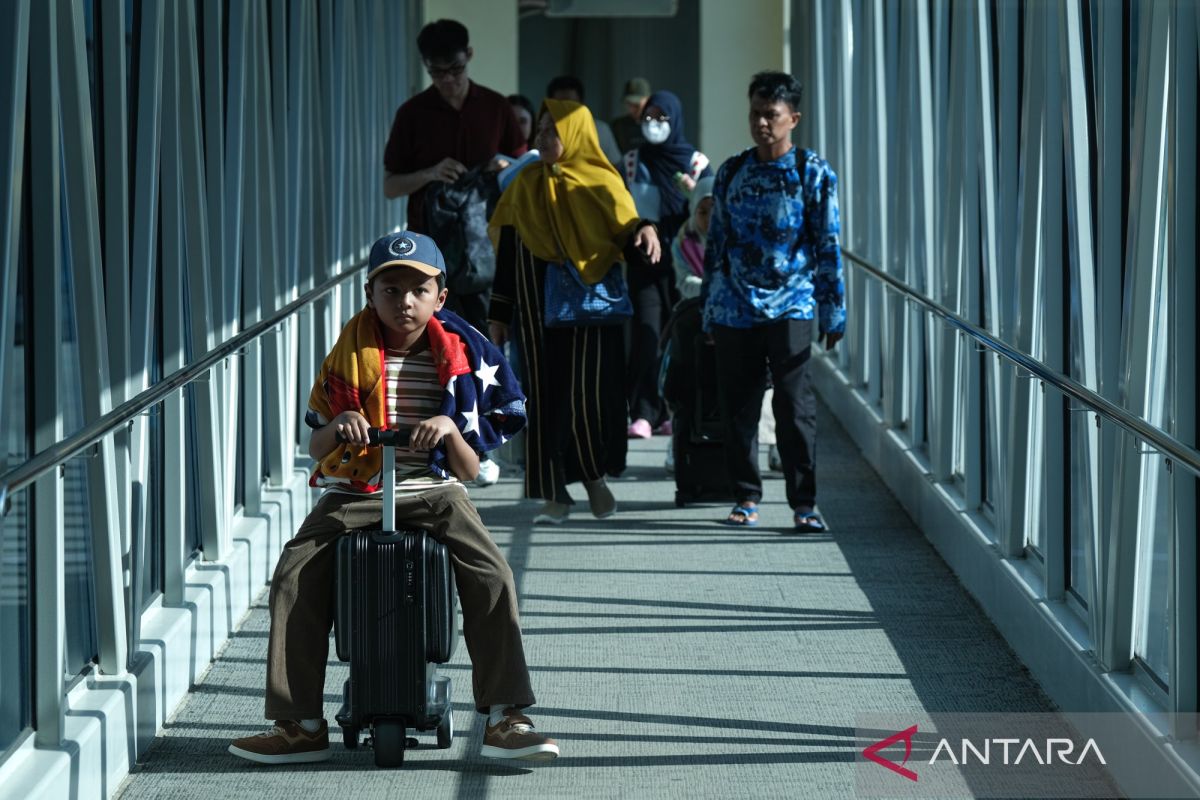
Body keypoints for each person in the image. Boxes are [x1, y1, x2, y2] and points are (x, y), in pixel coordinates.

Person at [228, 232, 559, 765]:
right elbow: (315, 446)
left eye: (418, 290)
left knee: (491, 573)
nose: (404, 301)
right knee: (294, 573)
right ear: (369, 293)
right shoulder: (348, 352)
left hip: (433, 491)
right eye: (391, 289)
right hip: (357, 490)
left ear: (440, 297)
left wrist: (450, 428)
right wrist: (340, 424)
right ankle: (300, 723)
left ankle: (505, 716)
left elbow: (469, 471)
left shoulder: (459, 359)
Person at [487, 99, 662, 525]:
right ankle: (553, 492)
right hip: (534, 312)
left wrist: (644, 227)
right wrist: (499, 315)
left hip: (588, 312)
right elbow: (508, 258)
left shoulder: (601, 181)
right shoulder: (525, 184)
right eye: (541, 129)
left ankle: (592, 476)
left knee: (587, 398)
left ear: (577, 135)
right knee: (542, 397)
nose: (542, 138)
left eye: (552, 131)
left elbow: (627, 229)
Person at [382, 18, 527, 486]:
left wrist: (505, 165)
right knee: (437, 348)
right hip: (431, 256)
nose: (447, 79)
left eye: (455, 69)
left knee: (484, 348)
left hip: (486, 250)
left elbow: (524, 172)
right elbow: (390, 185)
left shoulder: (496, 107)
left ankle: (480, 443)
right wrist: (429, 173)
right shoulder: (413, 114)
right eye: (437, 71)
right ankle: (444, 445)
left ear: (470, 56)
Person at [701, 71, 845, 533]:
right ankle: (745, 496)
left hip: (793, 304)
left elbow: (828, 244)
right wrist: (709, 306)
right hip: (734, 307)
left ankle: (804, 503)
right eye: (755, 114)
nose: (762, 123)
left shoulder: (813, 173)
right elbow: (716, 245)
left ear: (793, 119)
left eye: (771, 115)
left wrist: (833, 309)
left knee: (793, 404)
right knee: (738, 405)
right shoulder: (732, 171)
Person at [624, 90, 712, 439]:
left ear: (676, 118)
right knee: (646, 335)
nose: (654, 123)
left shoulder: (696, 163)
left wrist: (695, 191)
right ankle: (644, 410)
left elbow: (709, 206)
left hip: (685, 264)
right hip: (644, 265)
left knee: (682, 337)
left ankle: (676, 409)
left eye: (663, 116)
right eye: (650, 116)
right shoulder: (632, 161)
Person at [546, 75, 622, 166]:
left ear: (581, 103)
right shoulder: (544, 132)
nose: (566, 108)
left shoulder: (600, 130)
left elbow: (616, 165)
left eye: (571, 103)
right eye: (560, 104)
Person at [670, 176, 714, 300]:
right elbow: (684, 281)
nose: (709, 219)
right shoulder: (683, 242)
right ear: (693, 210)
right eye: (703, 212)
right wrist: (711, 287)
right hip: (697, 308)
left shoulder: (735, 237)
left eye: (715, 209)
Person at [610, 77, 650, 155]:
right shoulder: (618, 126)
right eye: (629, 104)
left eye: (636, 105)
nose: (632, 109)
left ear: (648, 100)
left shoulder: (656, 125)